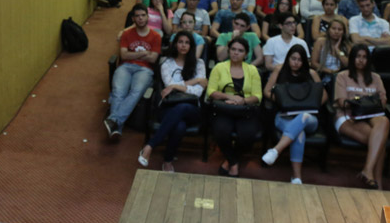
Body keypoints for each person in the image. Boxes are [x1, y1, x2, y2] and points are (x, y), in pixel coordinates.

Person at [138, 31, 207, 172]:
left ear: (191, 46)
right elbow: (170, 87)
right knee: (179, 126)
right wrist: (196, 81)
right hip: (168, 107)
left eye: (187, 43)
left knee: (182, 108)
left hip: (192, 109)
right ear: (175, 44)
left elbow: (198, 92)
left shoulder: (199, 64)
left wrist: (176, 86)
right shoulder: (166, 64)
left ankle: (150, 146)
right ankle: (168, 161)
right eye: (180, 42)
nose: (183, 45)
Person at [262, 46, 327, 184]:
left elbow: (325, 96)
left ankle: (276, 150)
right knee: (299, 133)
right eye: (293, 59)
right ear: (288, 58)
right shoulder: (279, 70)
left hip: (309, 118)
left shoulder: (312, 73)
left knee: (303, 116)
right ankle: (296, 177)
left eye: (300, 60)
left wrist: (311, 105)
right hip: (284, 115)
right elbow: (266, 91)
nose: (296, 62)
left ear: (304, 61)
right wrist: (282, 101)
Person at [334, 44, 390, 190]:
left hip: (371, 114)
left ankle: (367, 171)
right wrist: (367, 100)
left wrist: (358, 100)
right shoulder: (343, 76)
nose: (361, 60)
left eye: (364, 57)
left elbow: (383, 102)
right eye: (358, 56)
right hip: (348, 116)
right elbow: (342, 102)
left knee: (384, 121)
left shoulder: (376, 78)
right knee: (379, 141)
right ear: (352, 58)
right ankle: (377, 182)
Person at [207, 37, 263, 177]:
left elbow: (258, 96)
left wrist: (243, 101)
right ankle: (234, 163)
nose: (236, 53)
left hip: (245, 110)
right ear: (229, 50)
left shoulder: (252, 70)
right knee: (220, 131)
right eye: (233, 49)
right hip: (224, 109)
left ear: (246, 54)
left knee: (249, 135)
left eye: (240, 50)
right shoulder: (219, 67)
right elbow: (211, 92)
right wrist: (230, 97)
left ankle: (229, 162)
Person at [104, 5, 162, 139]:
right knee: (118, 92)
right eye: (137, 16)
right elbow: (123, 56)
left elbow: (153, 58)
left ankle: (114, 121)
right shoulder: (127, 34)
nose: (140, 18)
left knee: (136, 91)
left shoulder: (156, 36)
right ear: (133, 18)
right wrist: (144, 53)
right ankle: (116, 127)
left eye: (143, 15)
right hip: (125, 67)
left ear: (147, 17)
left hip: (145, 69)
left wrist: (133, 54)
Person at [311, 18, 352, 85]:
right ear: (328, 30)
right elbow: (314, 63)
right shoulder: (320, 42)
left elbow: (349, 64)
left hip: (341, 79)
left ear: (343, 32)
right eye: (333, 28)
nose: (336, 31)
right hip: (323, 76)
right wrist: (329, 71)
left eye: (339, 29)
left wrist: (337, 50)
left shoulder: (347, 45)